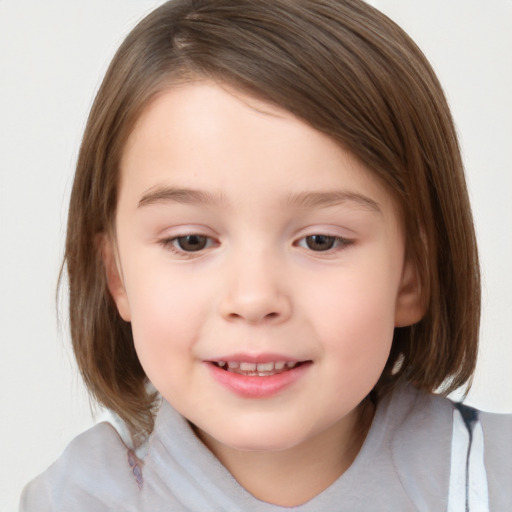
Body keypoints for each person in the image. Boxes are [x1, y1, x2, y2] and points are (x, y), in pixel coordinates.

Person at [19, 0, 511, 510]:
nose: (254, 299)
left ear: (413, 274)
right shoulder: (77, 498)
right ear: (116, 275)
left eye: (320, 240)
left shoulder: (491, 479)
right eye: (191, 241)